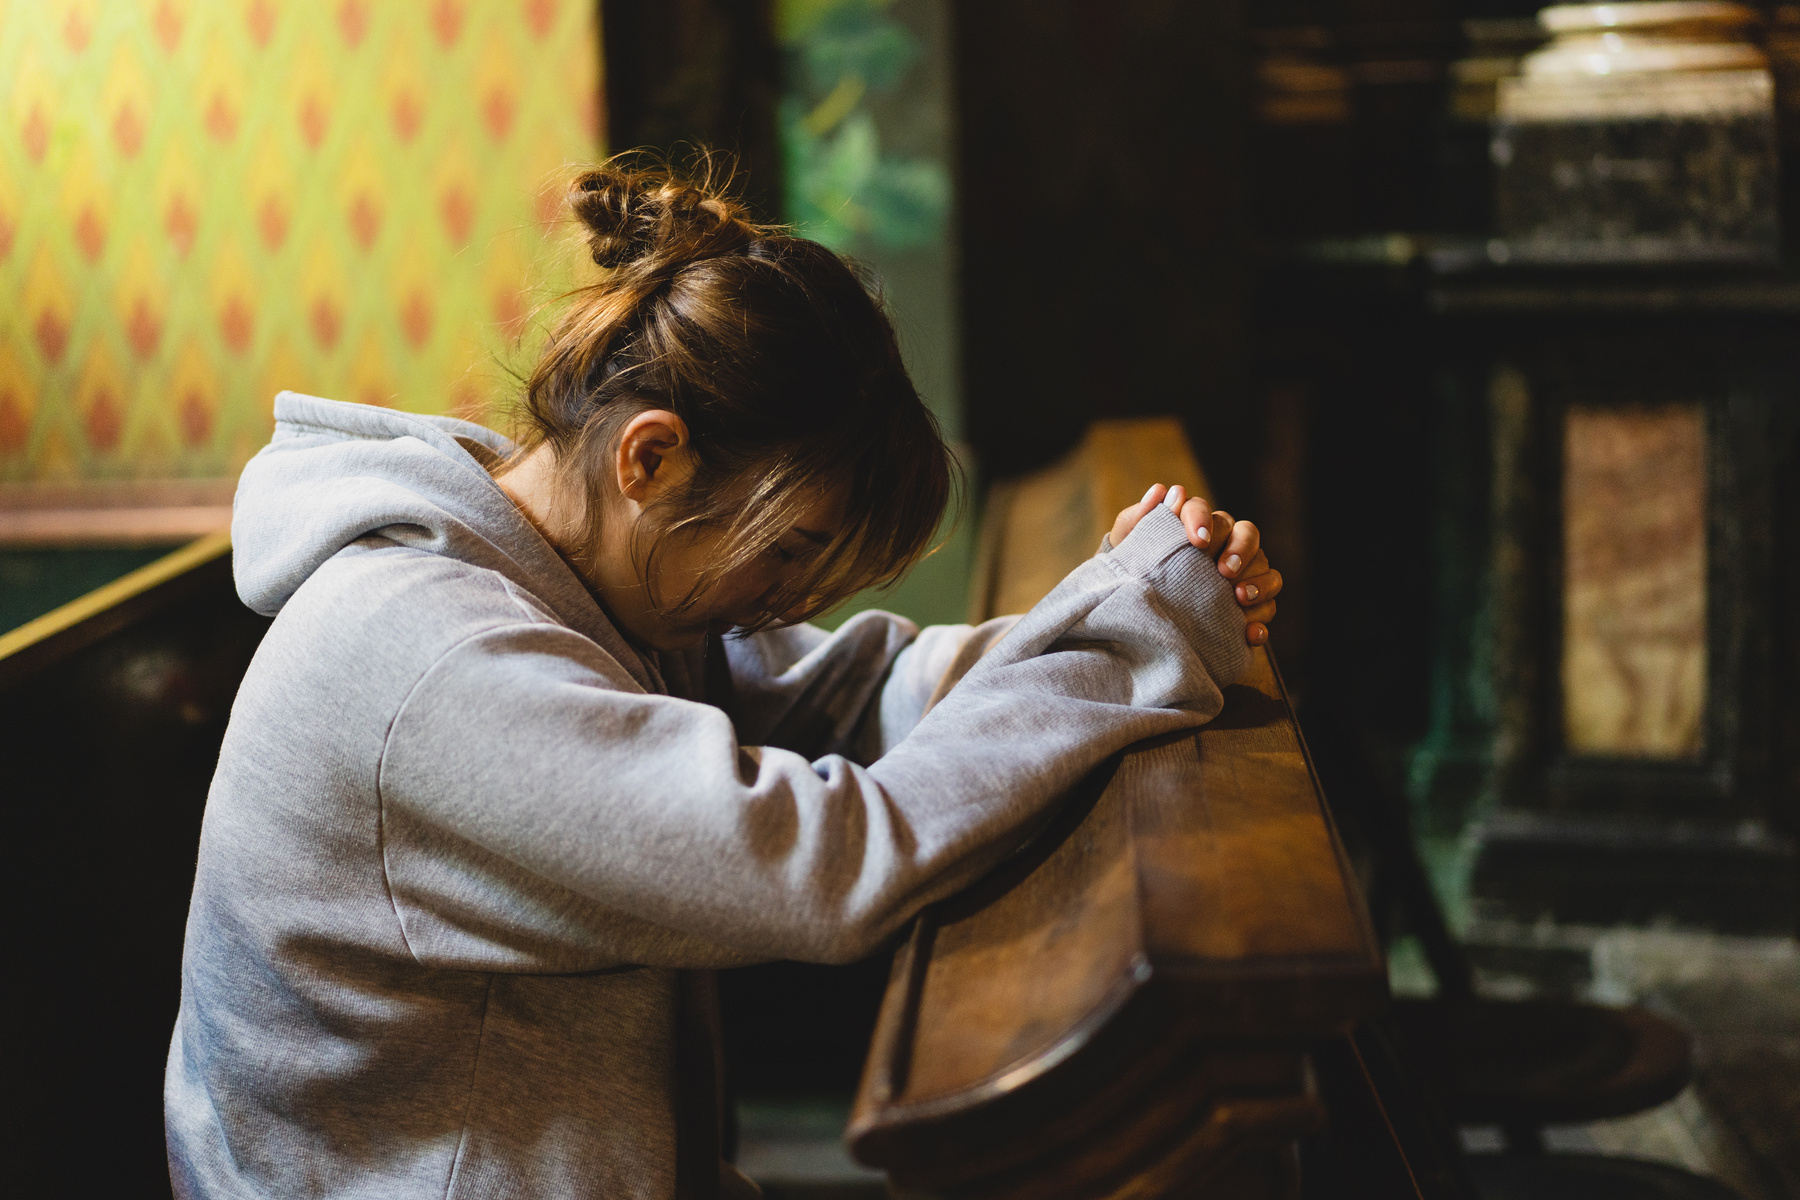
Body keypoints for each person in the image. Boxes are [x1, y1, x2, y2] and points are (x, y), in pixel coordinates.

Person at [164, 159, 1283, 1200]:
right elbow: (831, 864)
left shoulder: (578, 576)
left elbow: (862, 688)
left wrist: (1115, 607)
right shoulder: (430, 659)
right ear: (650, 457)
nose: (793, 598)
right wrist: (1133, 642)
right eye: (788, 547)